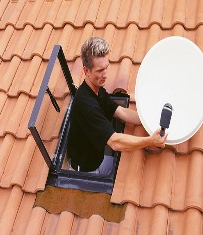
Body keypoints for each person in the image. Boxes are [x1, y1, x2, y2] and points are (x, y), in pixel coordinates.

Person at [67, 37, 167, 175]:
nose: (105, 75)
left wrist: (152, 120)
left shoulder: (97, 89)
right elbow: (115, 142)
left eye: (106, 68)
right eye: (100, 70)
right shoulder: (87, 105)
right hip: (87, 171)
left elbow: (120, 111)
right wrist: (150, 141)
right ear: (86, 70)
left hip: (99, 157)